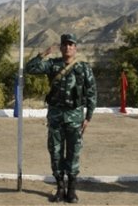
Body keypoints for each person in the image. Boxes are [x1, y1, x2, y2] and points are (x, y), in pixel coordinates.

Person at [25, 33, 97, 203]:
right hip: (56, 116)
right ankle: (60, 188)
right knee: (56, 152)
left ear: (75, 48)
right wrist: (43, 54)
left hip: (75, 117)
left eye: (71, 44)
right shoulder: (52, 65)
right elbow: (30, 68)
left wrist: (88, 117)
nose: (67, 47)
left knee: (73, 153)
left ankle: (71, 190)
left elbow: (92, 93)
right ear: (61, 47)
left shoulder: (84, 68)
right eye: (65, 44)